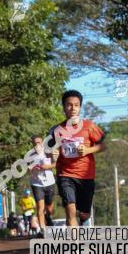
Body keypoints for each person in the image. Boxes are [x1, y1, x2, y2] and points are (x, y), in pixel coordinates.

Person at [48, 90, 105, 227]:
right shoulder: (56, 130)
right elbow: (49, 149)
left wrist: (87, 150)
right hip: (65, 174)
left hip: (86, 175)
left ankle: (84, 220)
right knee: (71, 211)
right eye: (69, 105)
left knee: (84, 213)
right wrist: (52, 154)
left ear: (80, 107)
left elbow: (103, 145)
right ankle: (74, 246)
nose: (73, 108)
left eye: (76, 105)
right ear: (63, 107)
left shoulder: (89, 126)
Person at [28, 135, 56, 235]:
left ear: (42, 143)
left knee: (49, 208)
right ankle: (43, 230)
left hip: (49, 182)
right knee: (40, 208)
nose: (37, 145)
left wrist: (47, 166)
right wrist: (30, 168)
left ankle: (48, 217)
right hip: (37, 184)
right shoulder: (29, 156)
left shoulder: (48, 153)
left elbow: (56, 164)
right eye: (35, 143)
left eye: (39, 142)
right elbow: (25, 169)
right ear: (32, 144)